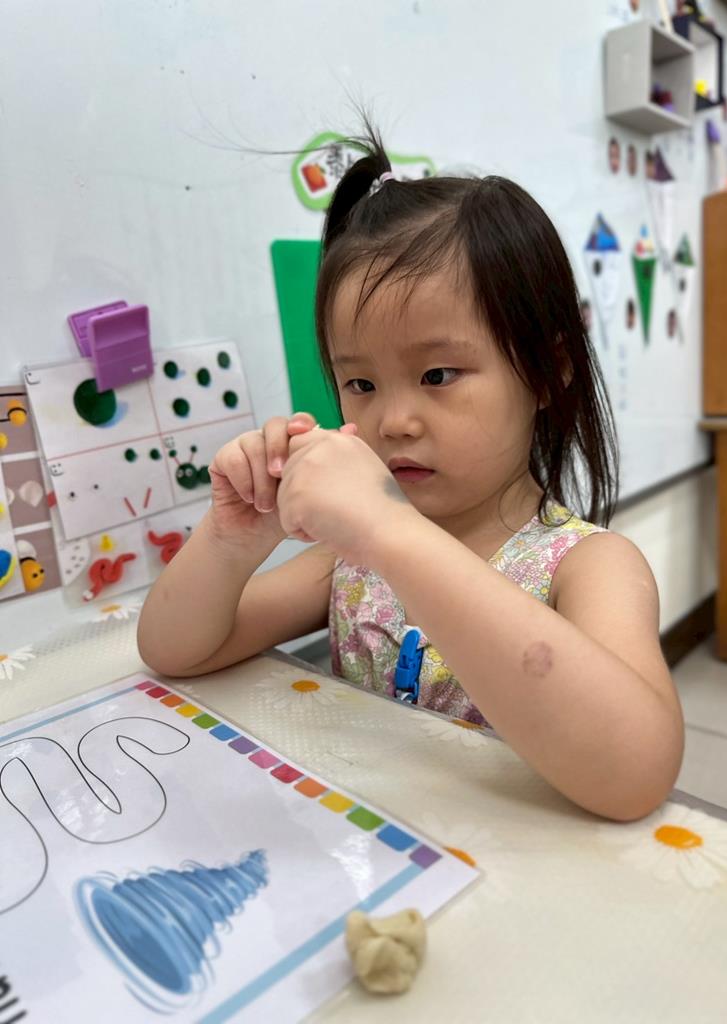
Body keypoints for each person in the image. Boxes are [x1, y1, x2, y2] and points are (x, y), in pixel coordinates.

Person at [138, 126, 683, 822]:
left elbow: (635, 774)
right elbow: (176, 650)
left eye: (437, 375)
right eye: (360, 384)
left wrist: (392, 532)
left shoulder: (588, 565)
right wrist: (231, 539)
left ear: (549, 372)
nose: (392, 421)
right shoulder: (349, 559)